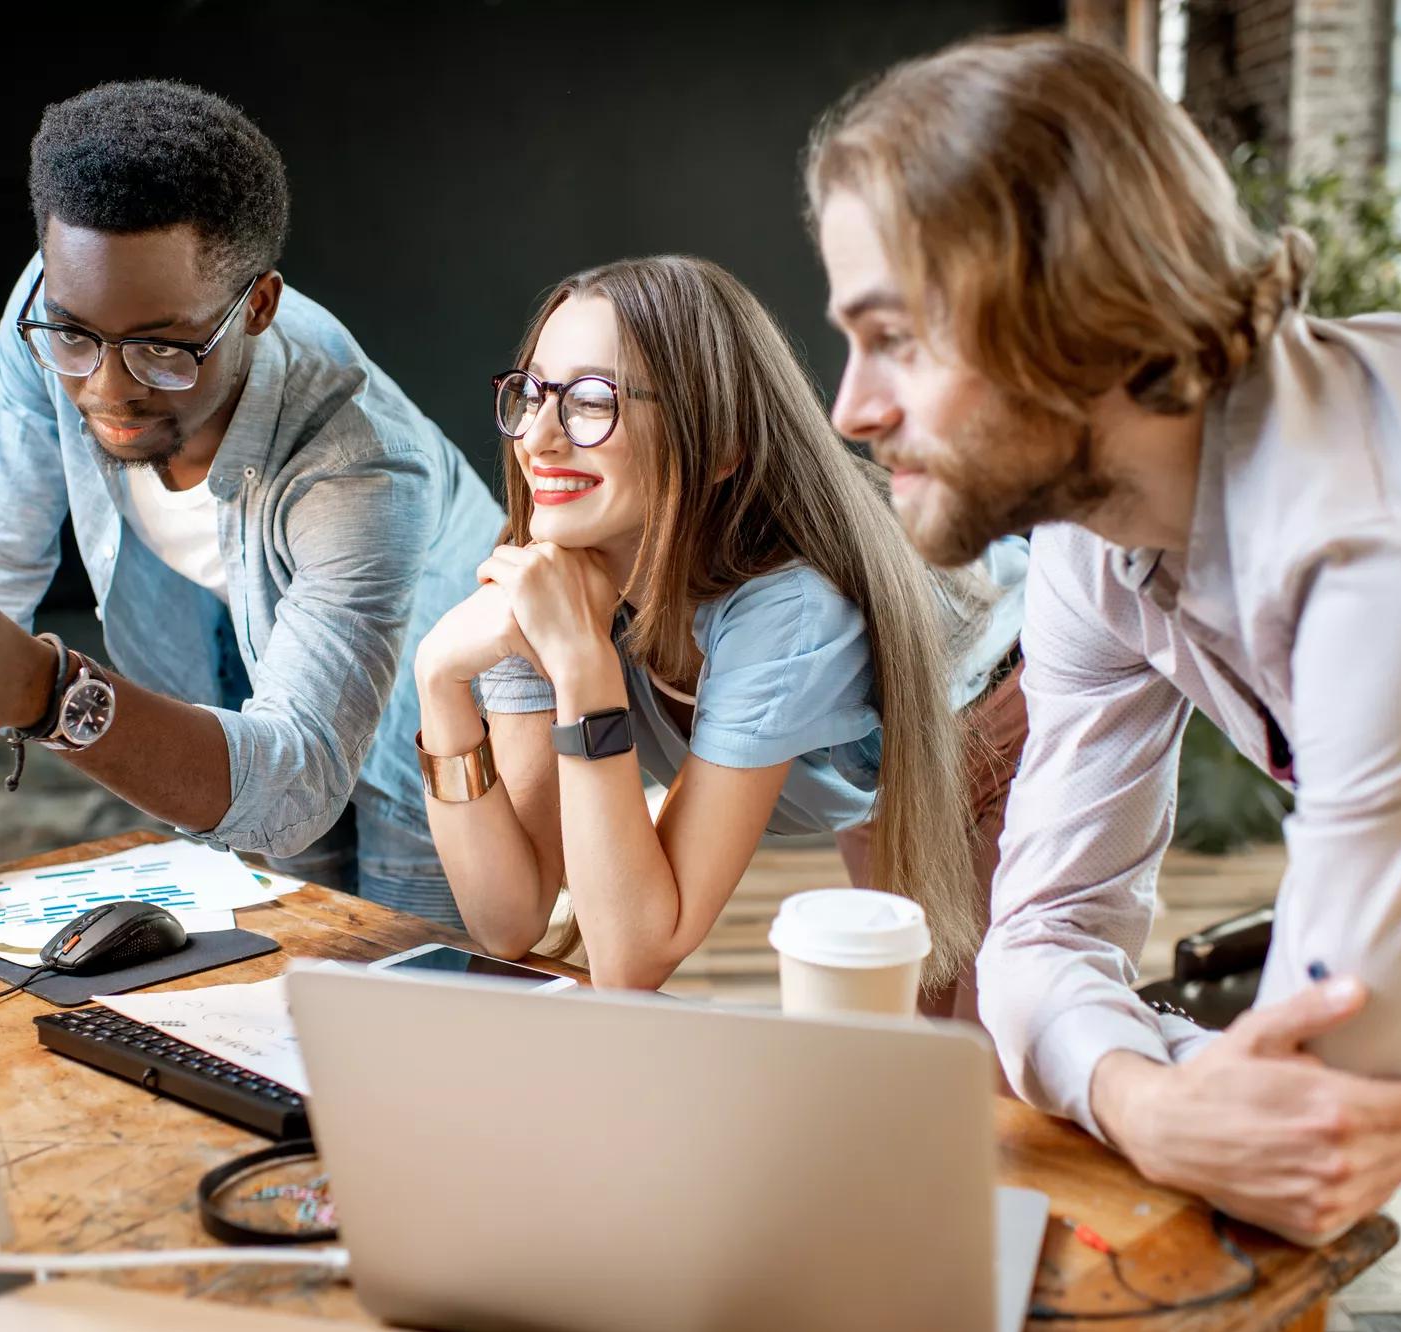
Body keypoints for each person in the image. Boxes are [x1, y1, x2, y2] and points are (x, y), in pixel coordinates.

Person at [806, 32, 1401, 1242]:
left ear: (1070, 310)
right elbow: (1035, 935)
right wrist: (1140, 1101)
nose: (850, 409)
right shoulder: (1096, 534)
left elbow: (1316, 1116)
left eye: (894, 338)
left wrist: (1159, 1091)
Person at [0, 80, 501, 928]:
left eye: (161, 348)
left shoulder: (359, 460)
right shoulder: (48, 313)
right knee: (279, 935)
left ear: (256, 306)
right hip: (237, 638)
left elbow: (296, 782)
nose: (105, 390)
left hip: (436, 686)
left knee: (410, 957)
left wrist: (53, 695)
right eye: (76, 336)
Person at [412, 255, 1026, 996]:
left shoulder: (788, 607)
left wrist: (584, 671)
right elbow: (509, 917)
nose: (538, 437)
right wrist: (440, 683)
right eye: (533, 393)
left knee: (1002, 1070)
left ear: (721, 445)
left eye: (590, 400)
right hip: (879, 766)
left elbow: (636, 953)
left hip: (1013, 716)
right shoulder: (545, 581)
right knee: (904, 1043)